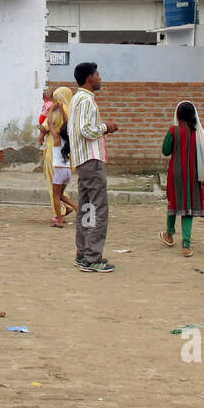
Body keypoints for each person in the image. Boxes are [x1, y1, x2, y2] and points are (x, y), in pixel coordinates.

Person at [68, 62, 118, 272]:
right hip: (91, 159)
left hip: (82, 160)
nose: (100, 77)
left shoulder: (76, 99)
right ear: (89, 78)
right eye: (97, 74)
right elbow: (85, 130)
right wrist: (106, 127)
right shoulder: (87, 100)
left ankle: (83, 253)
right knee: (98, 208)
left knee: (87, 207)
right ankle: (93, 257)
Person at [160, 100, 204, 256]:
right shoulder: (199, 133)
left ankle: (169, 235)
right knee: (188, 208)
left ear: (177, 114)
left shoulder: (173, 131)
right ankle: (186, 246)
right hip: (193, 174)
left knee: (174, 202)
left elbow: (165, 150)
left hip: (176, 174)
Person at [40, 86, 77, 228]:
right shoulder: (72, 112)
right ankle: (69, 208)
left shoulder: (55, 113)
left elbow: (46, 126)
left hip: (53, 154)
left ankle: (59, 214)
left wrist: (50, 111)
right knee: (61, 190)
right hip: (67, 157)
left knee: (53, 187)